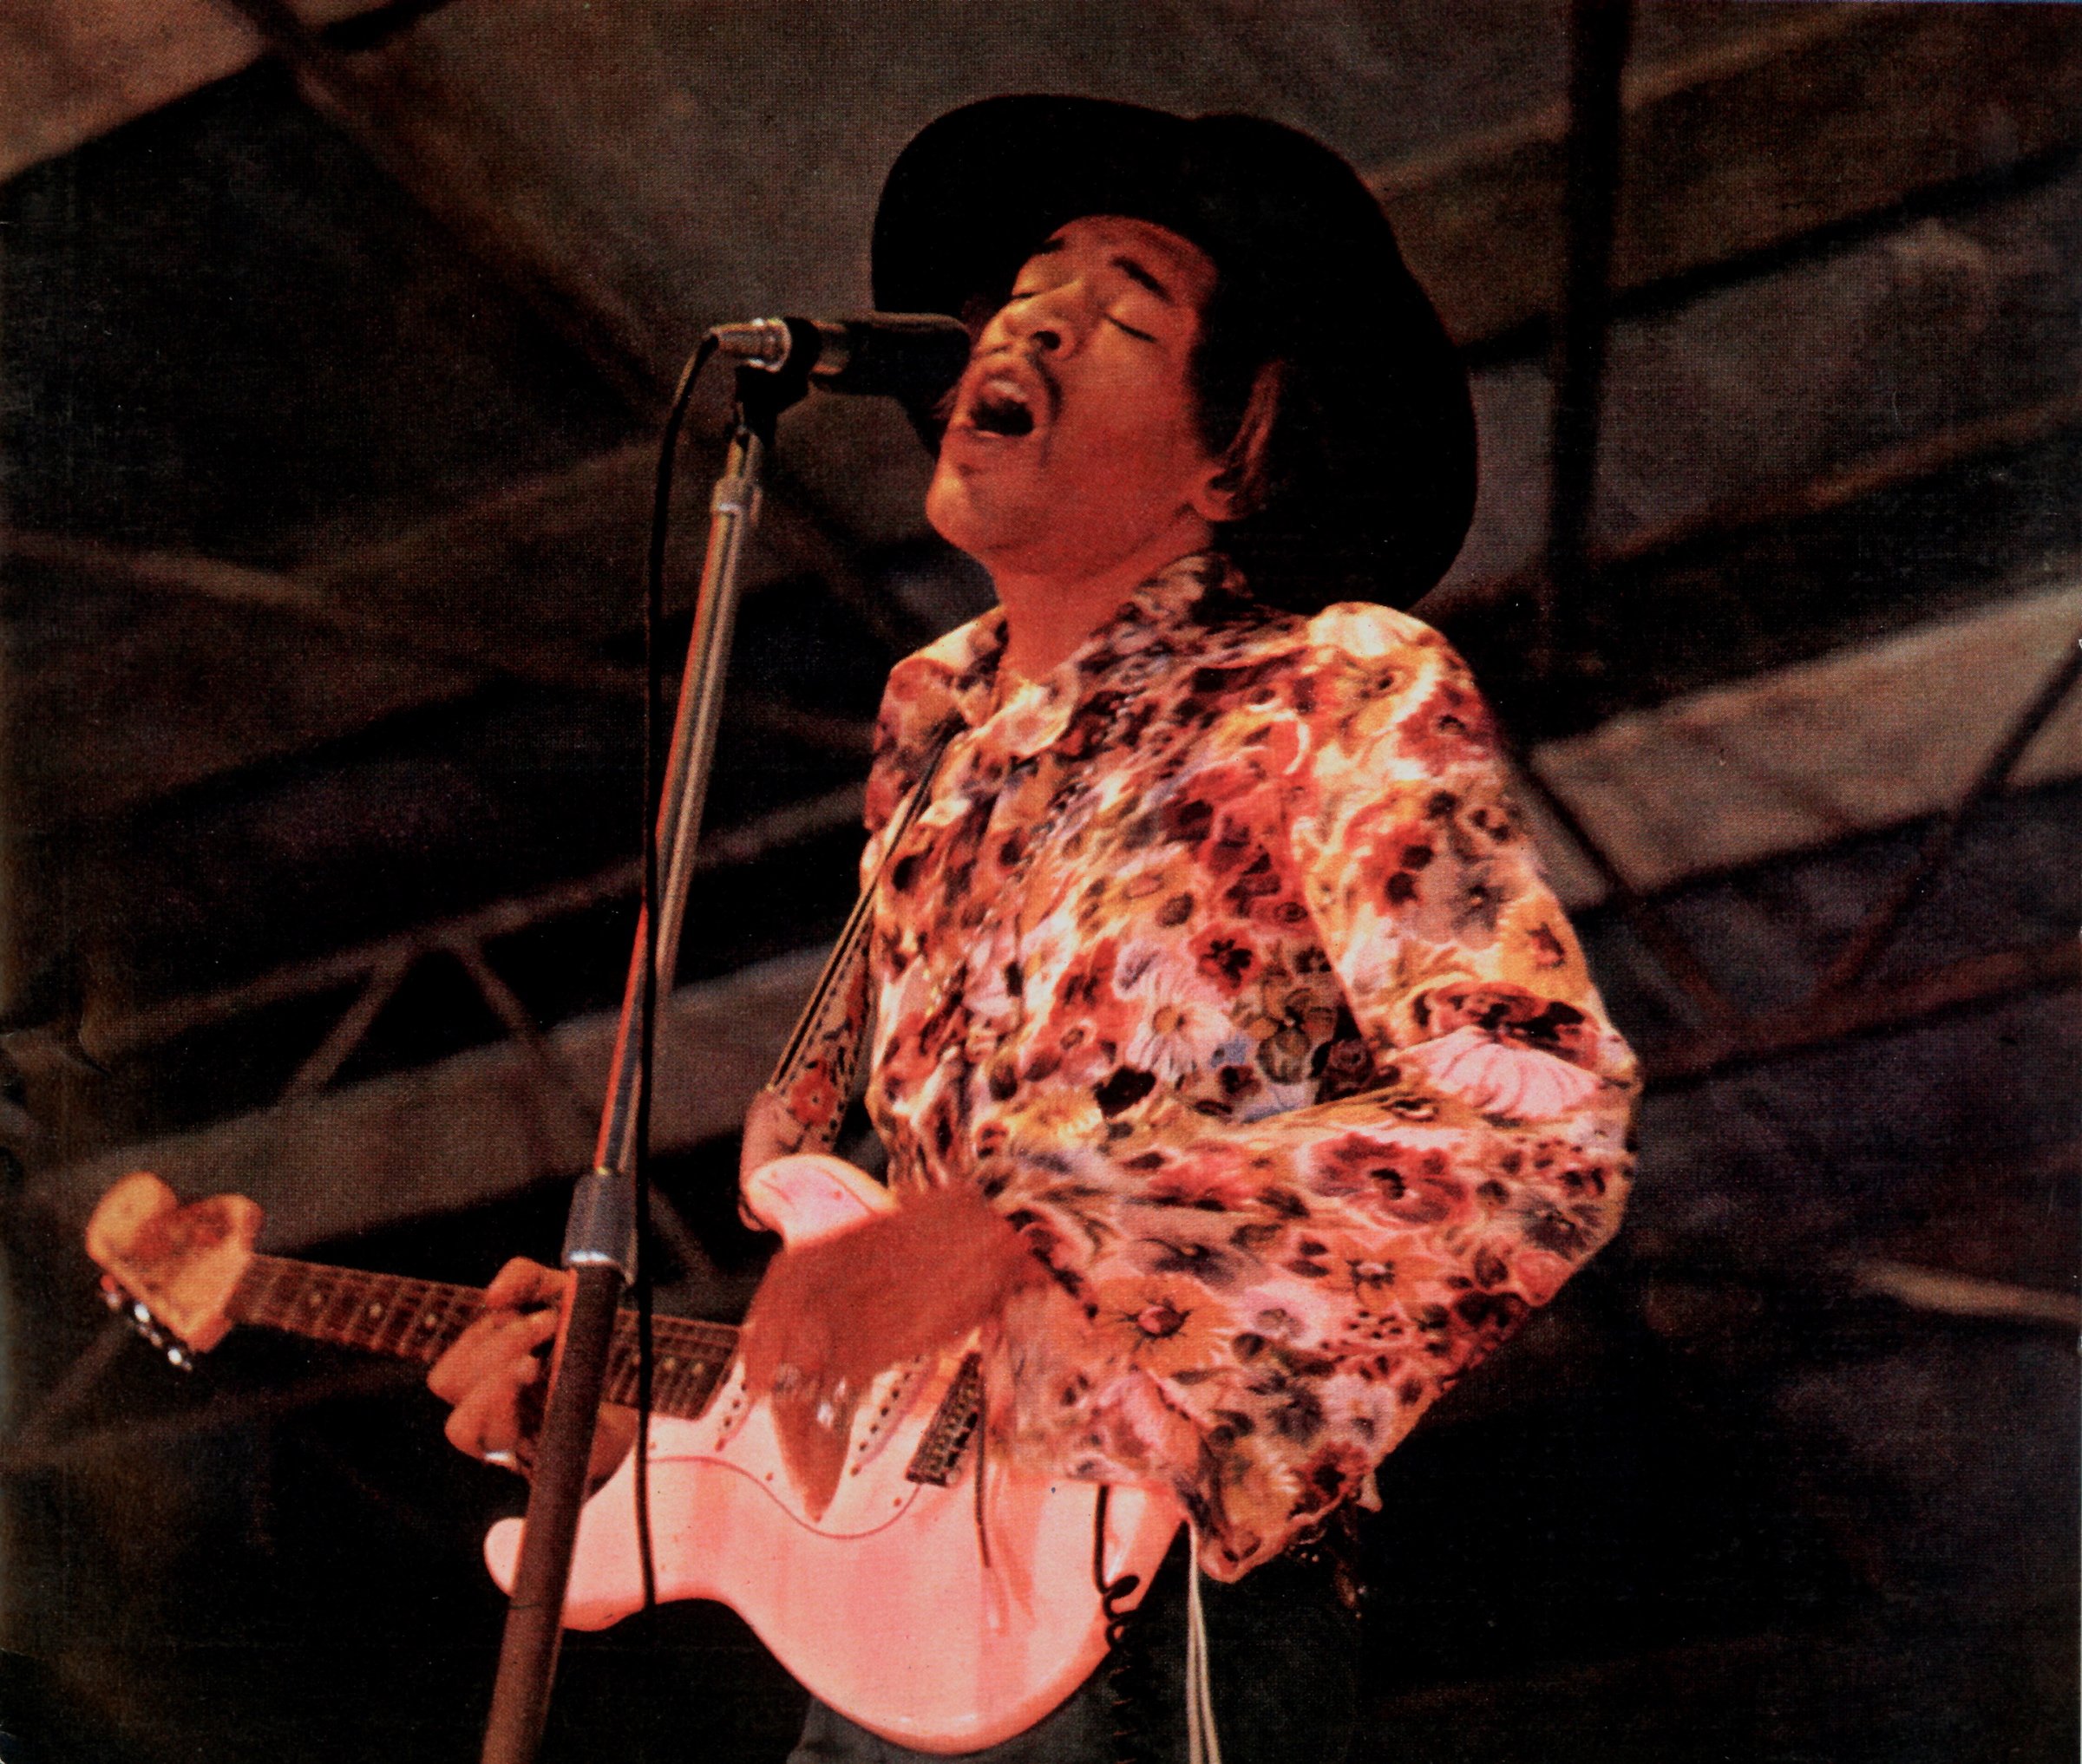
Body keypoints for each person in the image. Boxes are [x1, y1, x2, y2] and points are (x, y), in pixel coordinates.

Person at [429, 96, 1639, 1763]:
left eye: (1127, 308)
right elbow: (899, 1329)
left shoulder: (1333, 690)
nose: (1034, 316)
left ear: (1244, 448)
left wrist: (1026, 1226)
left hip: (1163, 1605)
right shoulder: (932, 741)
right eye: (1026, 284)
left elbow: (1539, 1136)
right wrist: (630, 1403)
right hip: (896, 1655)